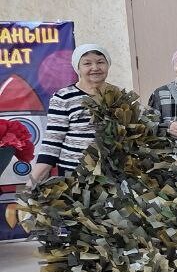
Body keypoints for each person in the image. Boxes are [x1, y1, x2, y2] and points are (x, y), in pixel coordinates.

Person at [29, 44, 116, 186]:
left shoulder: (118, 96)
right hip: (74, 176)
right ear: (78, 68)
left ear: (108, 65)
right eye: (87, 63)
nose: (95, 67)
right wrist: (31, 184)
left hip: (113, 175)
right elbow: (52, 142)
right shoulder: (64, 97)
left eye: (100, 62)